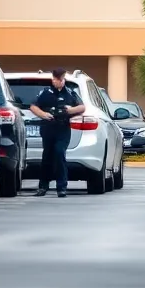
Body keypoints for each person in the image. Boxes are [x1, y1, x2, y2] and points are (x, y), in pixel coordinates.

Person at [29, 68, 85, 197]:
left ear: (63, 79)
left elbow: (82, 107)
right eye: (54, 79)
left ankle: (61, 187)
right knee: (47, 157)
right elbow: (33, 106)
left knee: (60, 154)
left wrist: (69, 111)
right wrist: (43, 114)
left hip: (63, 128)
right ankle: (43, 186)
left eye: (58, 79)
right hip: (48, 127)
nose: (55, 81)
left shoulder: (70, 93)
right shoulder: (46, 92)